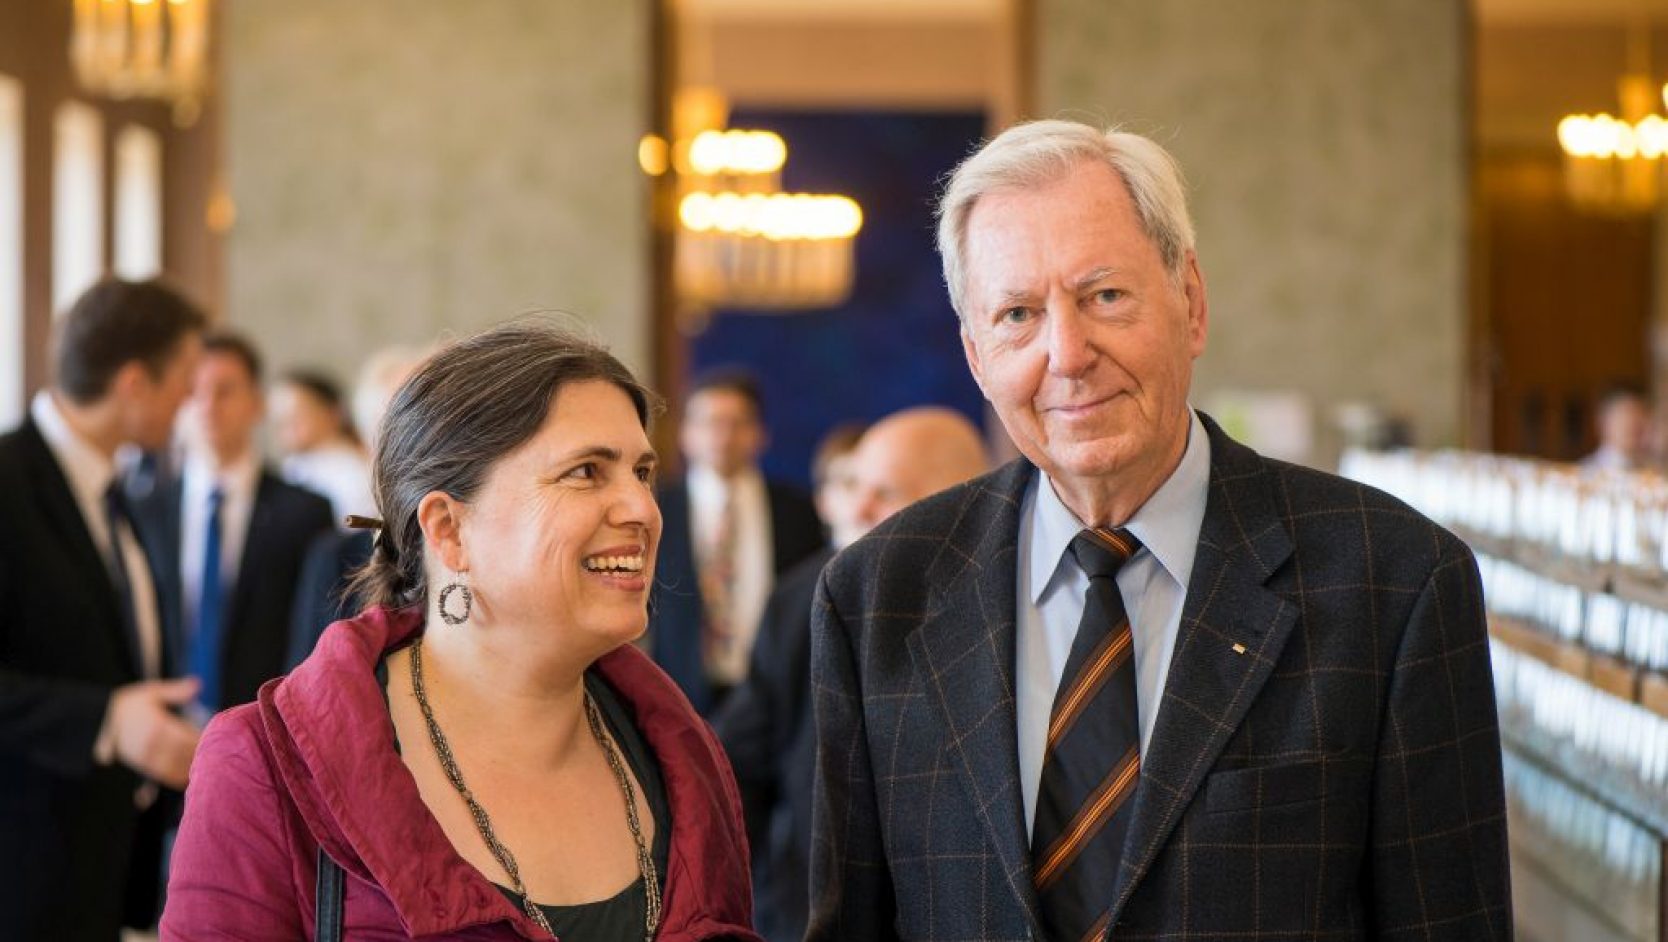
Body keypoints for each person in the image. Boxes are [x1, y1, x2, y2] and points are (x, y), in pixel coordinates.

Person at [808, 120, 1511, 941]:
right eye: (1018, 315)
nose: (1067, 353)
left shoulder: (1395, 582)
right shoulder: (878, 595)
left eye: (1105, 296)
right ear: (975, 356)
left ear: (1192, 303)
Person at [162, 321, 759, 941]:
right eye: (585, 472)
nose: (641, 508)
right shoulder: (265, 767)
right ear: (448, 530)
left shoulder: (686, 759)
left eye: (641, 471)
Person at [716, 409, 987, 942]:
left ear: (959, 504)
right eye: (853, 485)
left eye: (884, 492)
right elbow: (737, 762)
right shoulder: (802, 598)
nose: (856, 508)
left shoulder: (1003, 607)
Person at [0, 277, 206, 941]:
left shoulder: (122, 489)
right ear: (133, 383)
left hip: (104, 869)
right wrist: (107, 722)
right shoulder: (7, 483)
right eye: (184, 377)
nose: (190, 399)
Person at [130, 332, 334, 719]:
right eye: (195, 391)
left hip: (264, 725)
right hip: (163, 726)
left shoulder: (305, 512)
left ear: (256, 403)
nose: (208, 406)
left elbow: (313, 633)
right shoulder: (144, 508)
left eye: (225, 391)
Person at [650, 370, 823, 714]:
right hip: (679, 692)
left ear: (759, 434)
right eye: (711, 423)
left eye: (737, 423)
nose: (723, 436)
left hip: (774, 694)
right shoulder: (655, 507)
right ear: (687, 434)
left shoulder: (797, 510)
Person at [285, 345, 430, 668]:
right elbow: (304, 686)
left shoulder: (486, 551)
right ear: (369, 446)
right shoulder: (334, 559)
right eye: (409, 430)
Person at [271, 368, 375, 524]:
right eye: (280, 419)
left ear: (334, 412)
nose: (288, 426)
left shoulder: (354, 474)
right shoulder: (293, 467)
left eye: (298, 414)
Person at [1581, 383, 1652, 473]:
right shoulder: (1585, 473)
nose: (1635, 422)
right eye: (1627, 413)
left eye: (1641, 413)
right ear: (1604, 421)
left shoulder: (1654, 471)